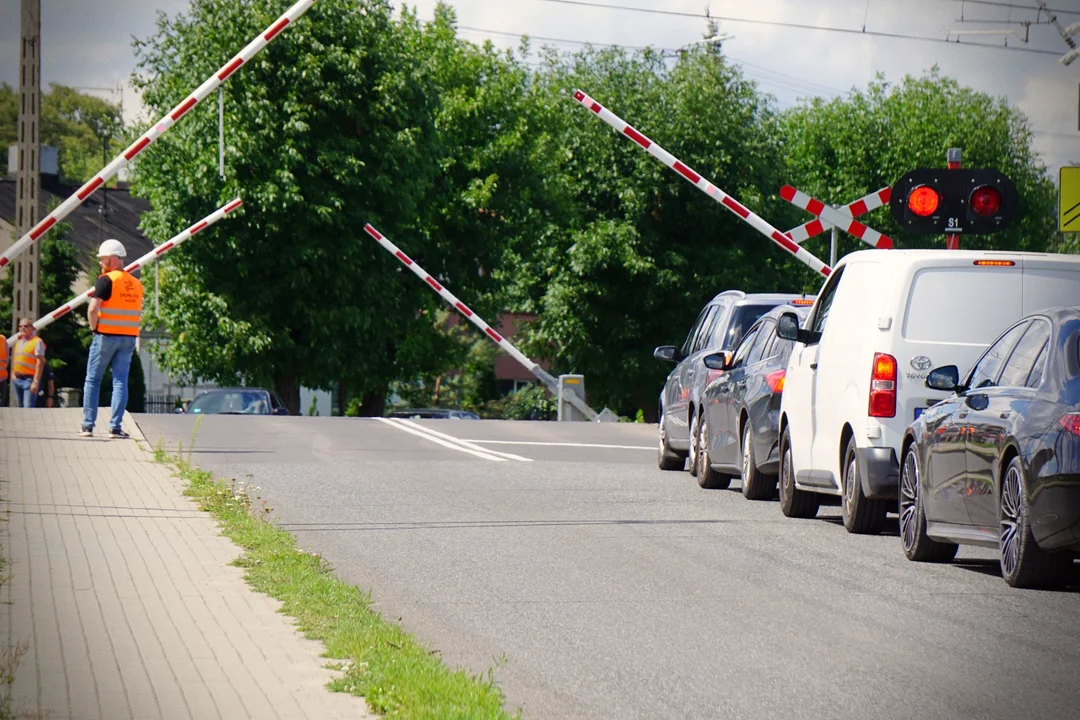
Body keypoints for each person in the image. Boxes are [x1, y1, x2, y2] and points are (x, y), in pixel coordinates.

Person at [81, 239, 143, 438]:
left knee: (93, 380)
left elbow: (92, 308)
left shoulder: (106, 280)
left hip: (105, 336)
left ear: (114, 260)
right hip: (128, 339)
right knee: (120, 382)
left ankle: (88, 426)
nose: (100, 263)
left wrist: (93, 328)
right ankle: (115, 428)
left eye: (103, 259)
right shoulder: (136, 284)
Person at [11, 318, 46, 408]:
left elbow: (40, 362)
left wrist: (36, 381)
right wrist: (13, 374)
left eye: (26, 326)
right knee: (20, 409)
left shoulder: (37, 341)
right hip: (17, 379)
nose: (23, 328)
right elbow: (16, 360)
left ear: (32, 328)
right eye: (20, 326)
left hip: (29, 380)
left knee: (28, 410)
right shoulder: (18, 342)